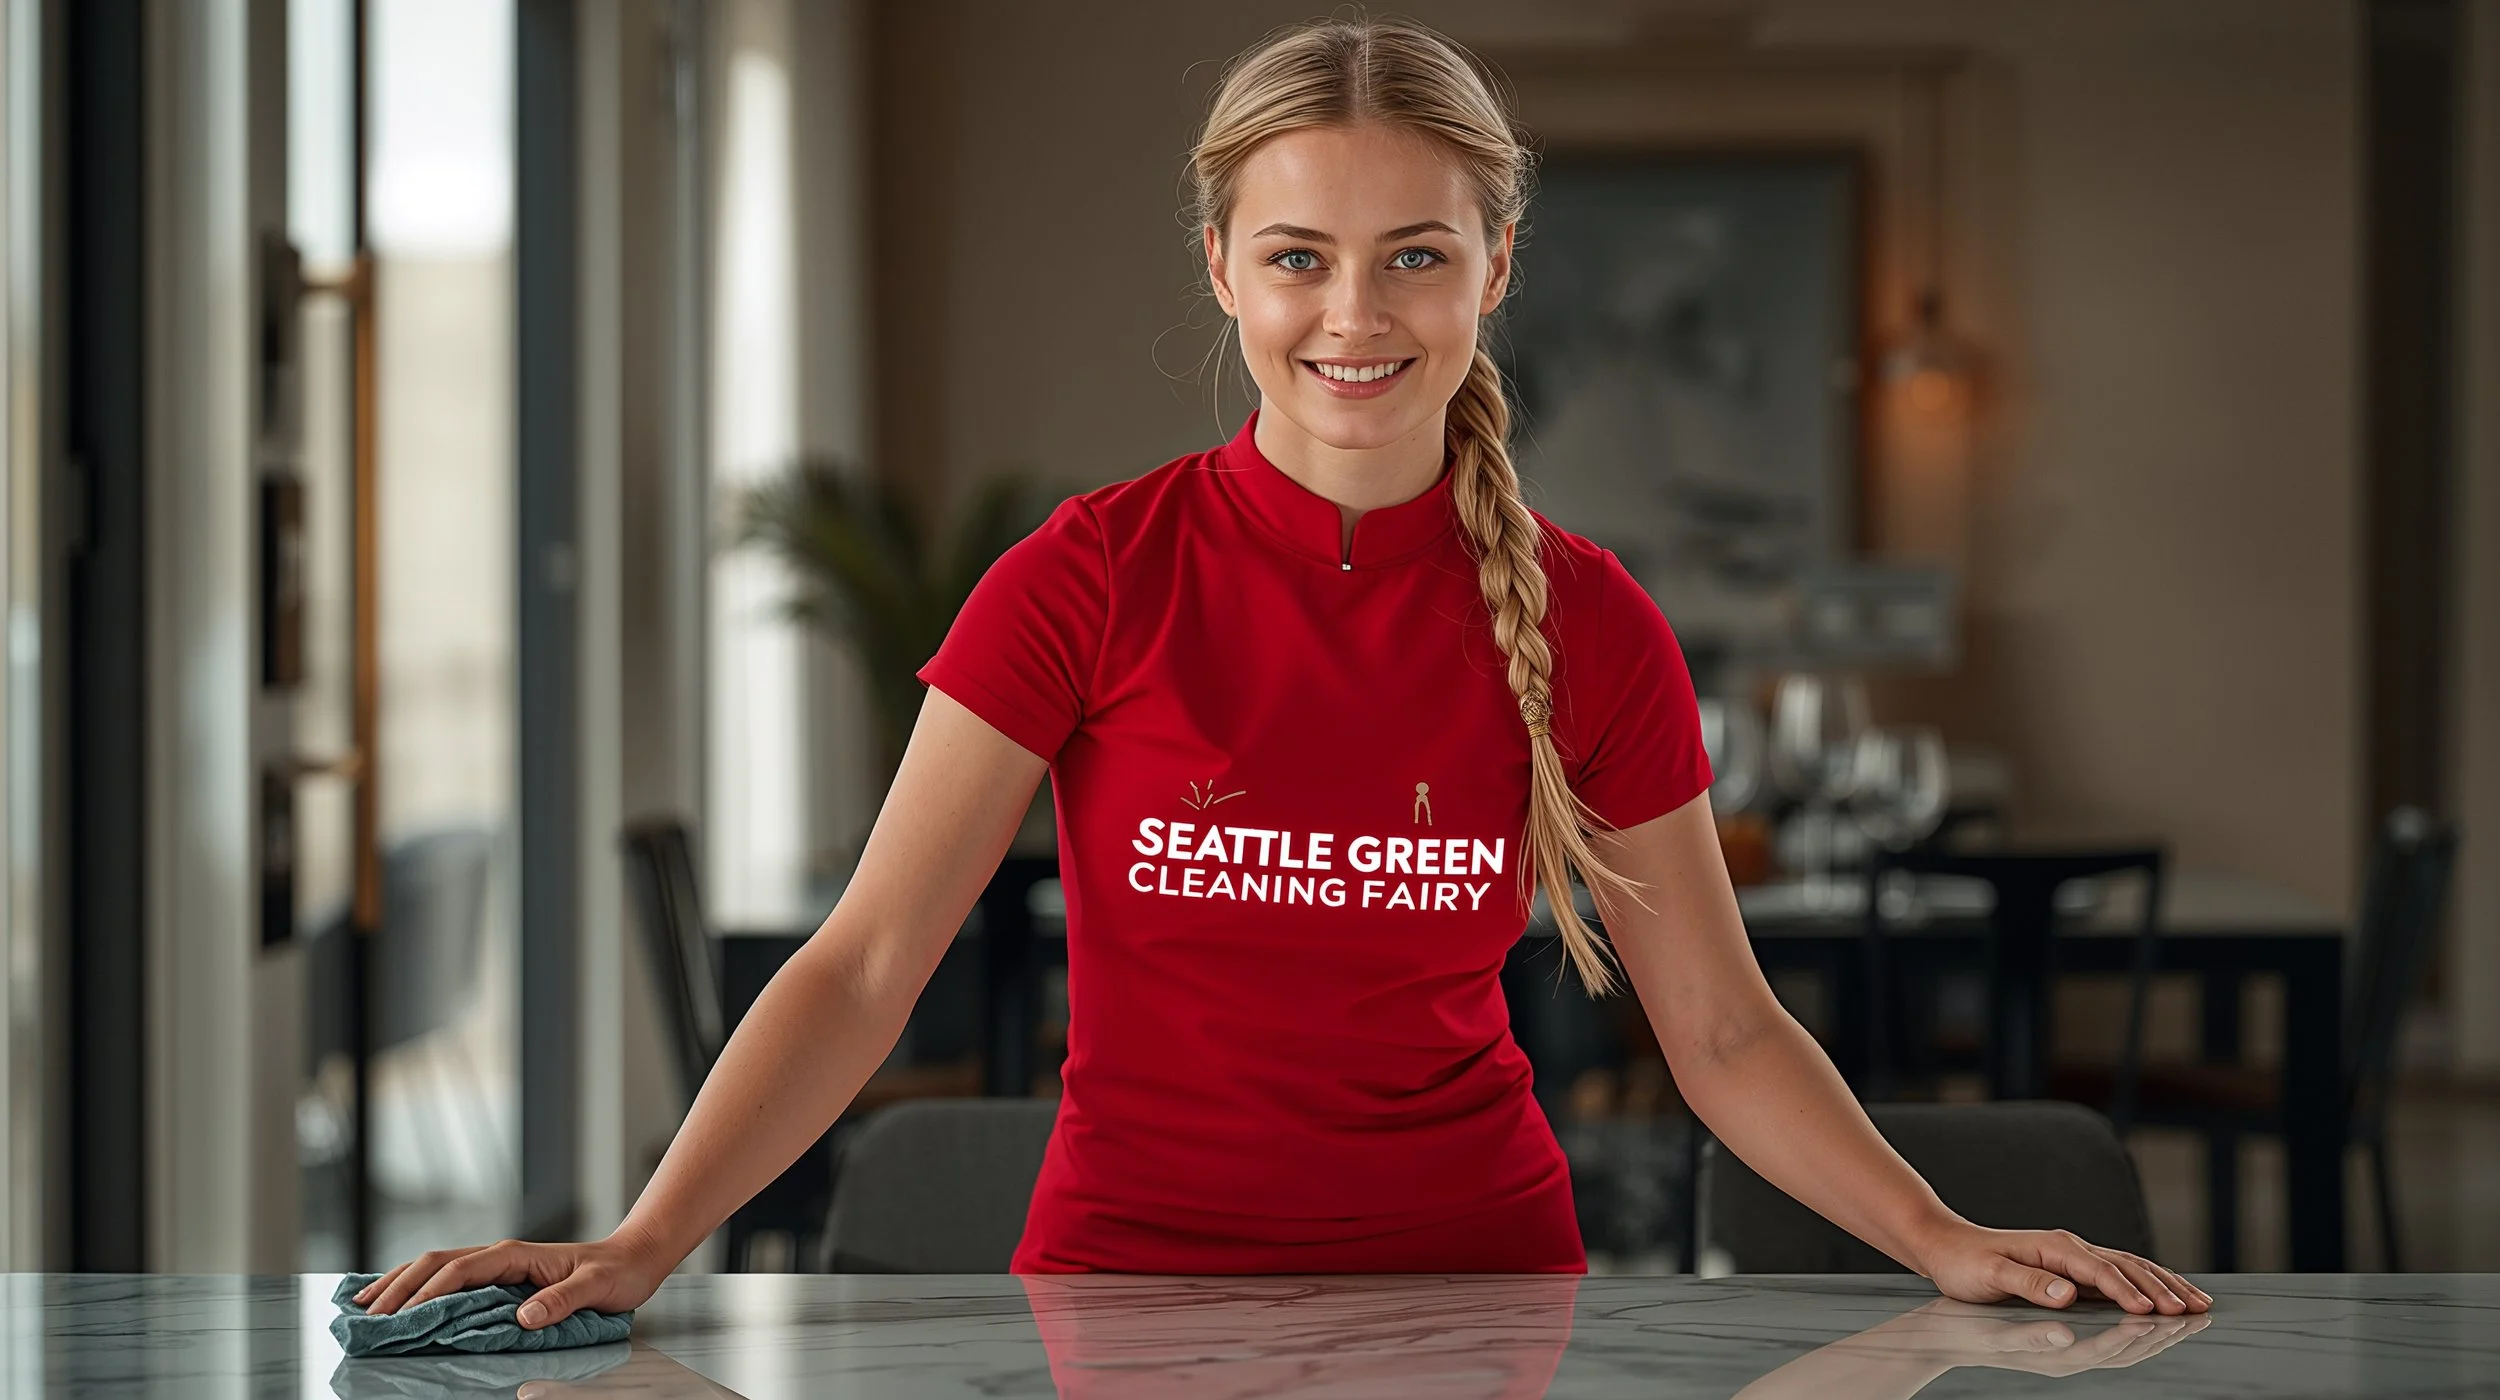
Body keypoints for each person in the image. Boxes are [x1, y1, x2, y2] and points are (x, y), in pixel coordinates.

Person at [354, 16, 2210, 1326]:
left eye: (1413, 255)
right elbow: (858, 968)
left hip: (1485, 1301)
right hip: (1121, 1298)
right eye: (1299, 256)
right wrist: (651, 1235)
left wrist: (1936, 1233)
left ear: (1495, 267)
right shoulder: (1085, 576)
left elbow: (1719, 1030)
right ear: (1224, 271)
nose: (1353, 314)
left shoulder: (1587, 617)